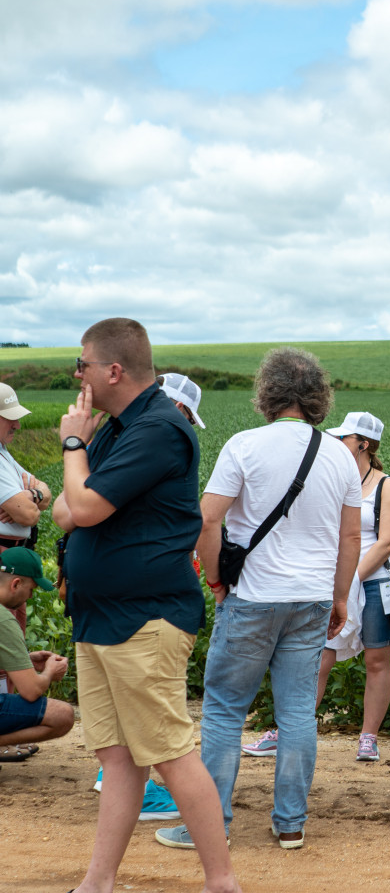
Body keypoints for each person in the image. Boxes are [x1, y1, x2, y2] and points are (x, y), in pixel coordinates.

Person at [51, 317, 239, 893]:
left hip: (144, 619)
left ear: (112, 369)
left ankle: (221, 882)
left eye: (81, 364)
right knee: (117, 759)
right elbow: (65, 508)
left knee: (170, 753)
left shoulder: (157, 428)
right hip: (101, 618)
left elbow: (83, 508)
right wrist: (82, 470)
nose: (75, 375)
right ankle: (98, 881)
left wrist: (73, 443)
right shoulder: (116, 428)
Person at [158, 347, 361, 853]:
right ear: (319, 397)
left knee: (225, 710)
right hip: (312, 599)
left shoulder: (244, 445)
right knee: (297, 712)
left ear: (267, 393)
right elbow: (351, 538)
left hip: (252, 596)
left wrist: (215, 580)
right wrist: (339, 598)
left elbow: (207, 519)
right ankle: (290, 823)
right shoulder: (339, 454)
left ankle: (212, 825)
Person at [313, 411, 390, 763]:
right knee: (320, 656)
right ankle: (293, 728)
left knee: (376, 660)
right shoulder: (336, 481)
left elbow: (386, 542)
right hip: (340, 583)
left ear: (363, 444)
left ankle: (369, 738)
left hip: (376, 583)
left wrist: (351, 579)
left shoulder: (386, 485)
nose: (336, 442)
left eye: (344, 438)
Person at [0, 548, 75, 752]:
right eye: (31, 589)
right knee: (63, 715)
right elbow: (31, 691)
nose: (30, 597)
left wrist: (26, 660)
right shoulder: (4, 619)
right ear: (16, 584)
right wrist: (49, 672)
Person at [0, 382, 51, 561]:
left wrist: (30, 495)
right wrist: (36, 498)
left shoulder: (3, 451)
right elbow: (29, 515)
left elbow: (46, 494)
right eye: (10, 418)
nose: (18, 425)